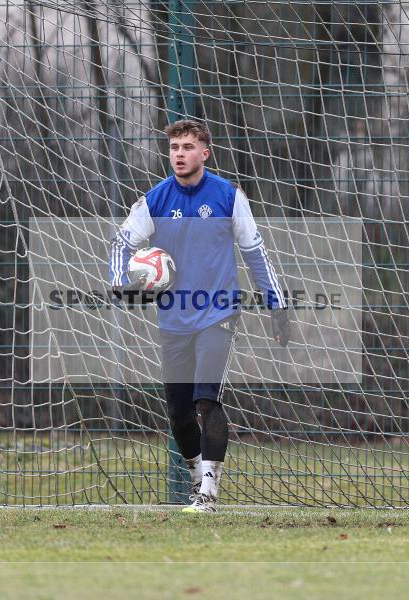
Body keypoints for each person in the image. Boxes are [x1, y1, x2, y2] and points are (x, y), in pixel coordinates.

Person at [108, 119, 290, 513]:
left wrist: (276, 304)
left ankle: (208, 489)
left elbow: (255, 252)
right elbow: (121, 241)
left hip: (218, 313)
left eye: (188, 147)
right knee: (178, 413)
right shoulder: (154, 200)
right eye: (174, 147)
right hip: (173, 318)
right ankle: (196, 477)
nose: (179, 154)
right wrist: (121, 282)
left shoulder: (228, 196)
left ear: (204, 153)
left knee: (207, 400)